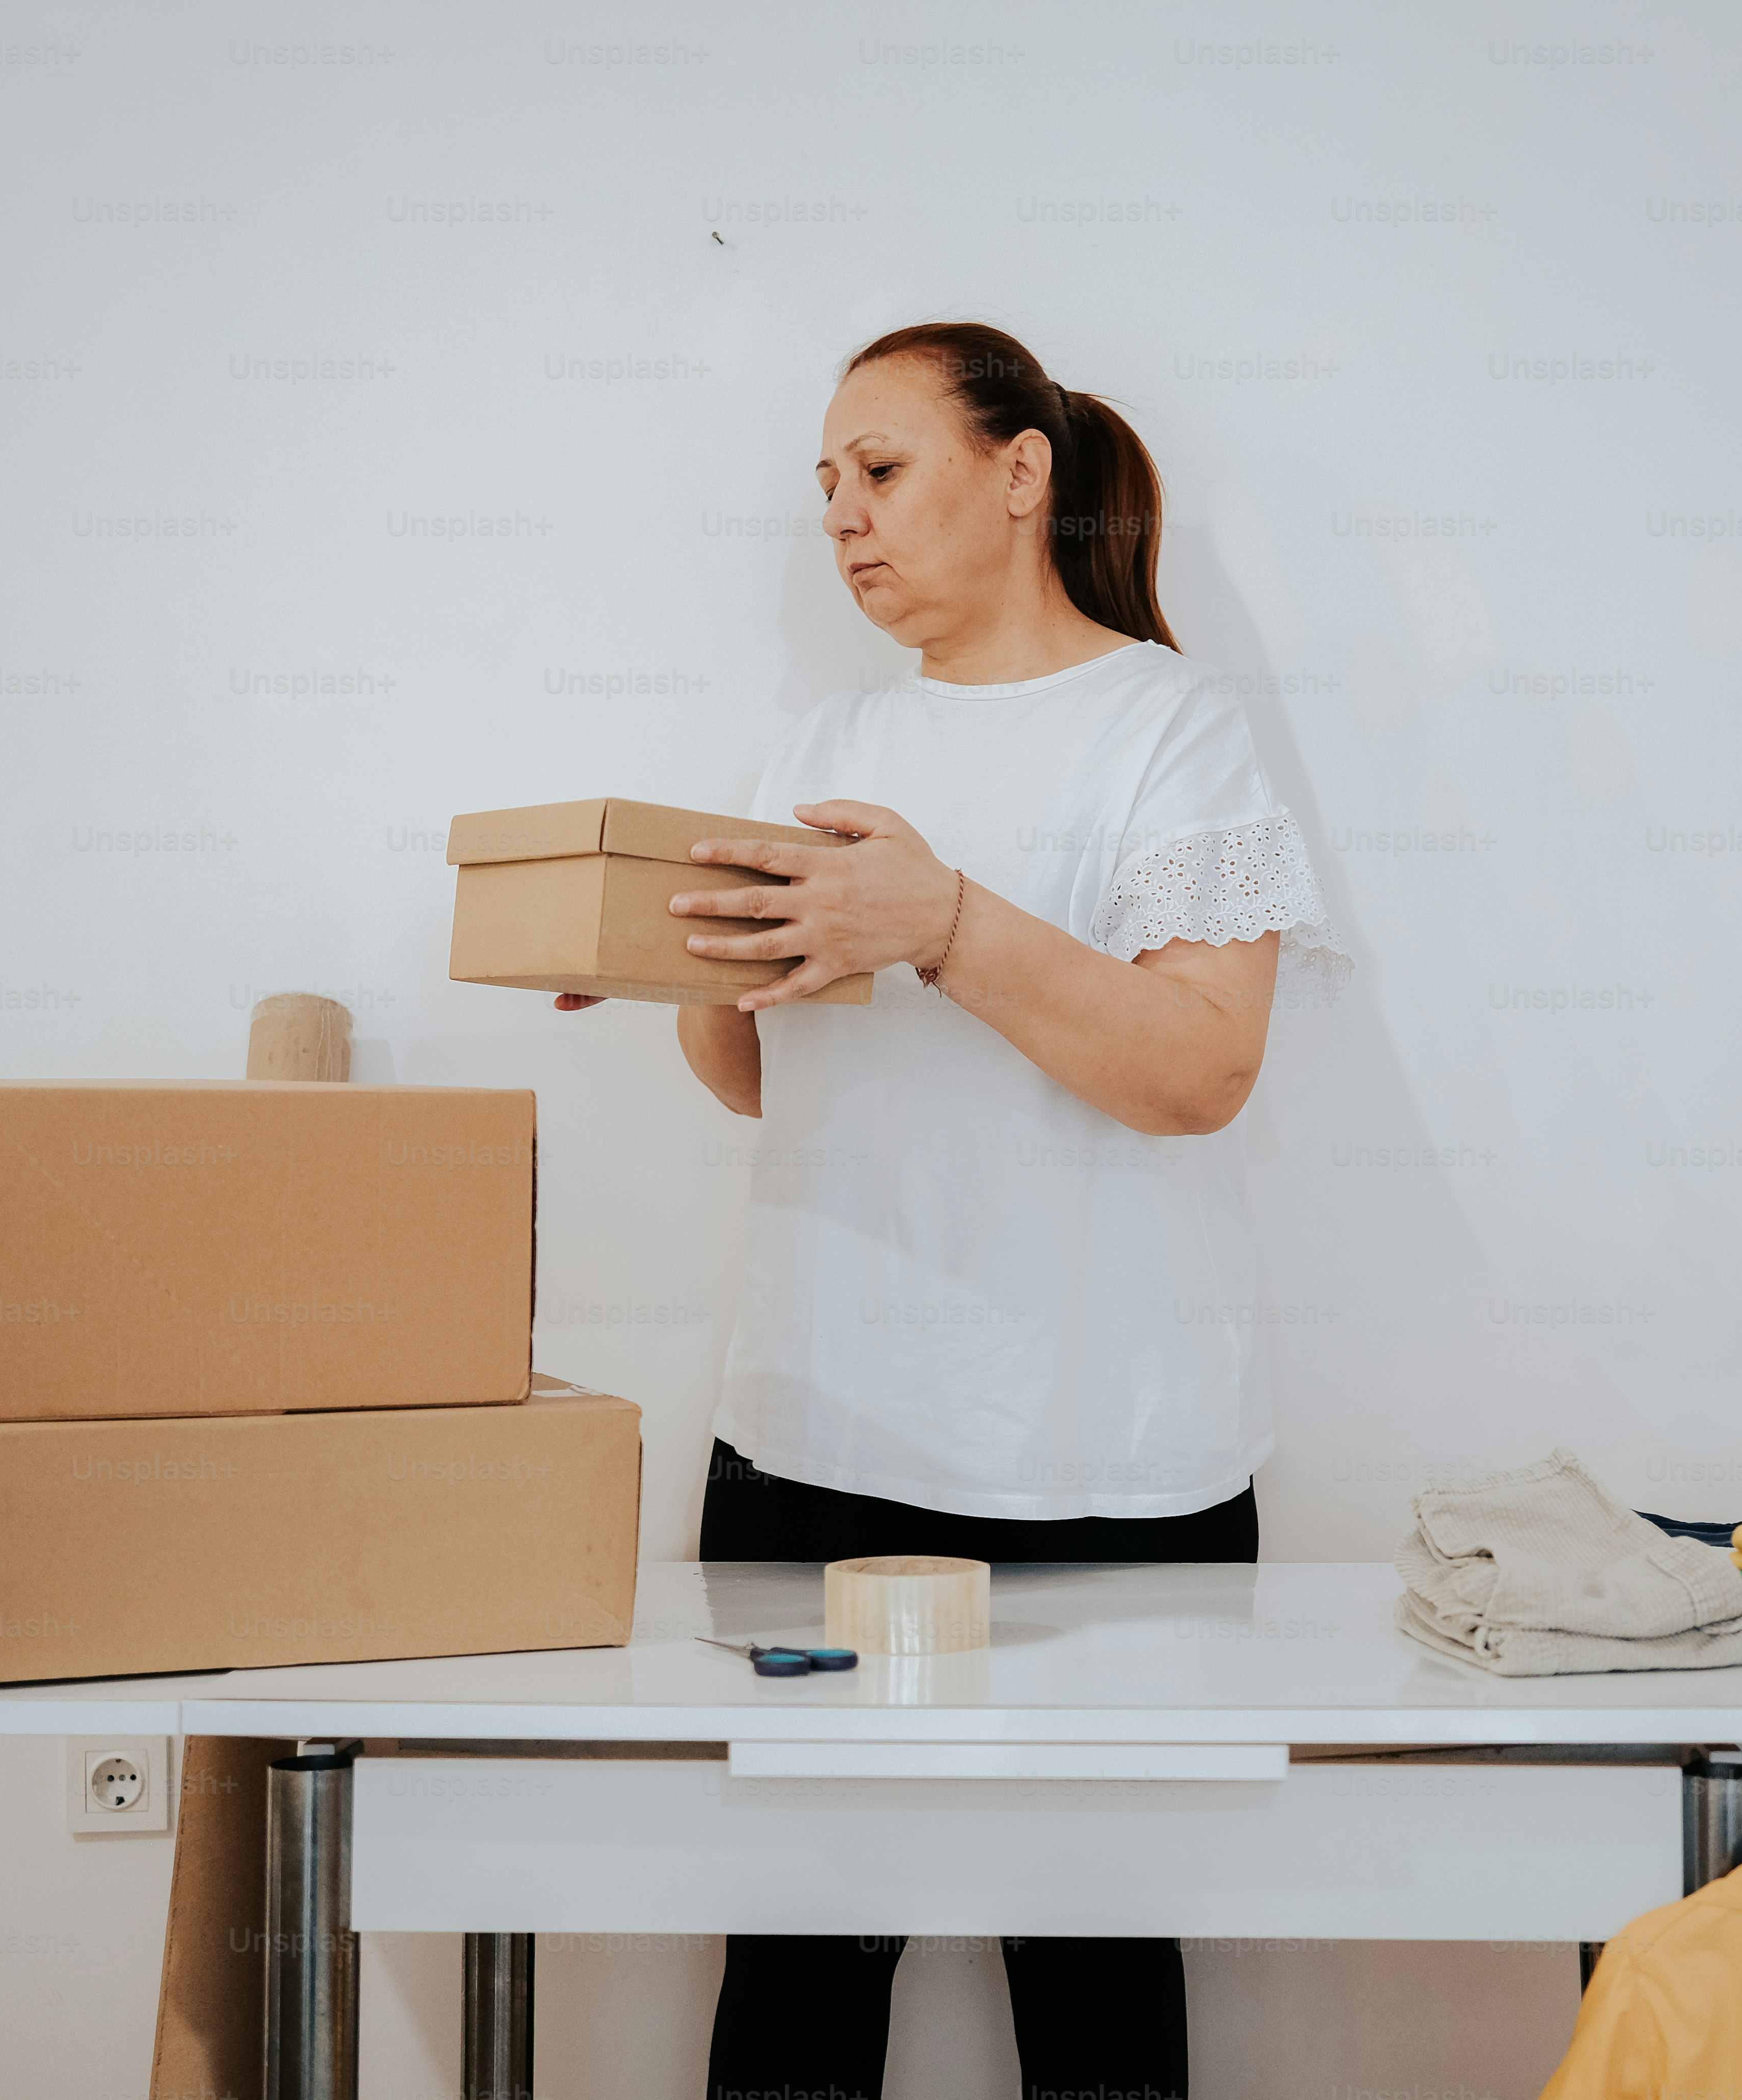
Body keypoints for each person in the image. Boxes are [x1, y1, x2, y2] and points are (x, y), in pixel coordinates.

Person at [564, 320, 1341, 2100]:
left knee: (1094, 1983)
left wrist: (939, 923)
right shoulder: (823, 735)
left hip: (1106, 1464)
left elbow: (1199, 1072)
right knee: (794, 1978)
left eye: (880, 469)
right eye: (822, 486)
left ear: (1019, 473)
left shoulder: (1175, 726)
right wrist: (673, 964)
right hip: (815, 1440)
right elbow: (761, 1084)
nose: (841, 516)